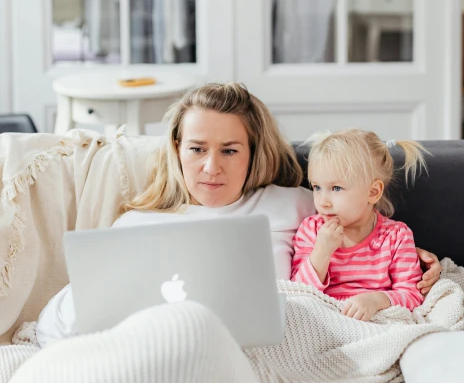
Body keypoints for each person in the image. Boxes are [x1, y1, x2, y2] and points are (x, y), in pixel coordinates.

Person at [36, 83, 441, 346]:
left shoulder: (293, 204)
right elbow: (60, 324)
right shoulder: (134, 226)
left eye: (230, 150)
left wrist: (413, 254)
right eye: (197, 149)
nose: (212, 167)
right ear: (177, 148)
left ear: (252, 153)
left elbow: (359, 224)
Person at [291, 129, 428, 321]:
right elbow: (297, 294)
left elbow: (412, 296)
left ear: (373, 192)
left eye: (336, 188)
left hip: (376, 321)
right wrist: (321, 252)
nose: (323, 202)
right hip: (325, 320)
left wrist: (375, 300)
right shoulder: (311, 231)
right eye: (317, 188)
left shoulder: (397, 236)